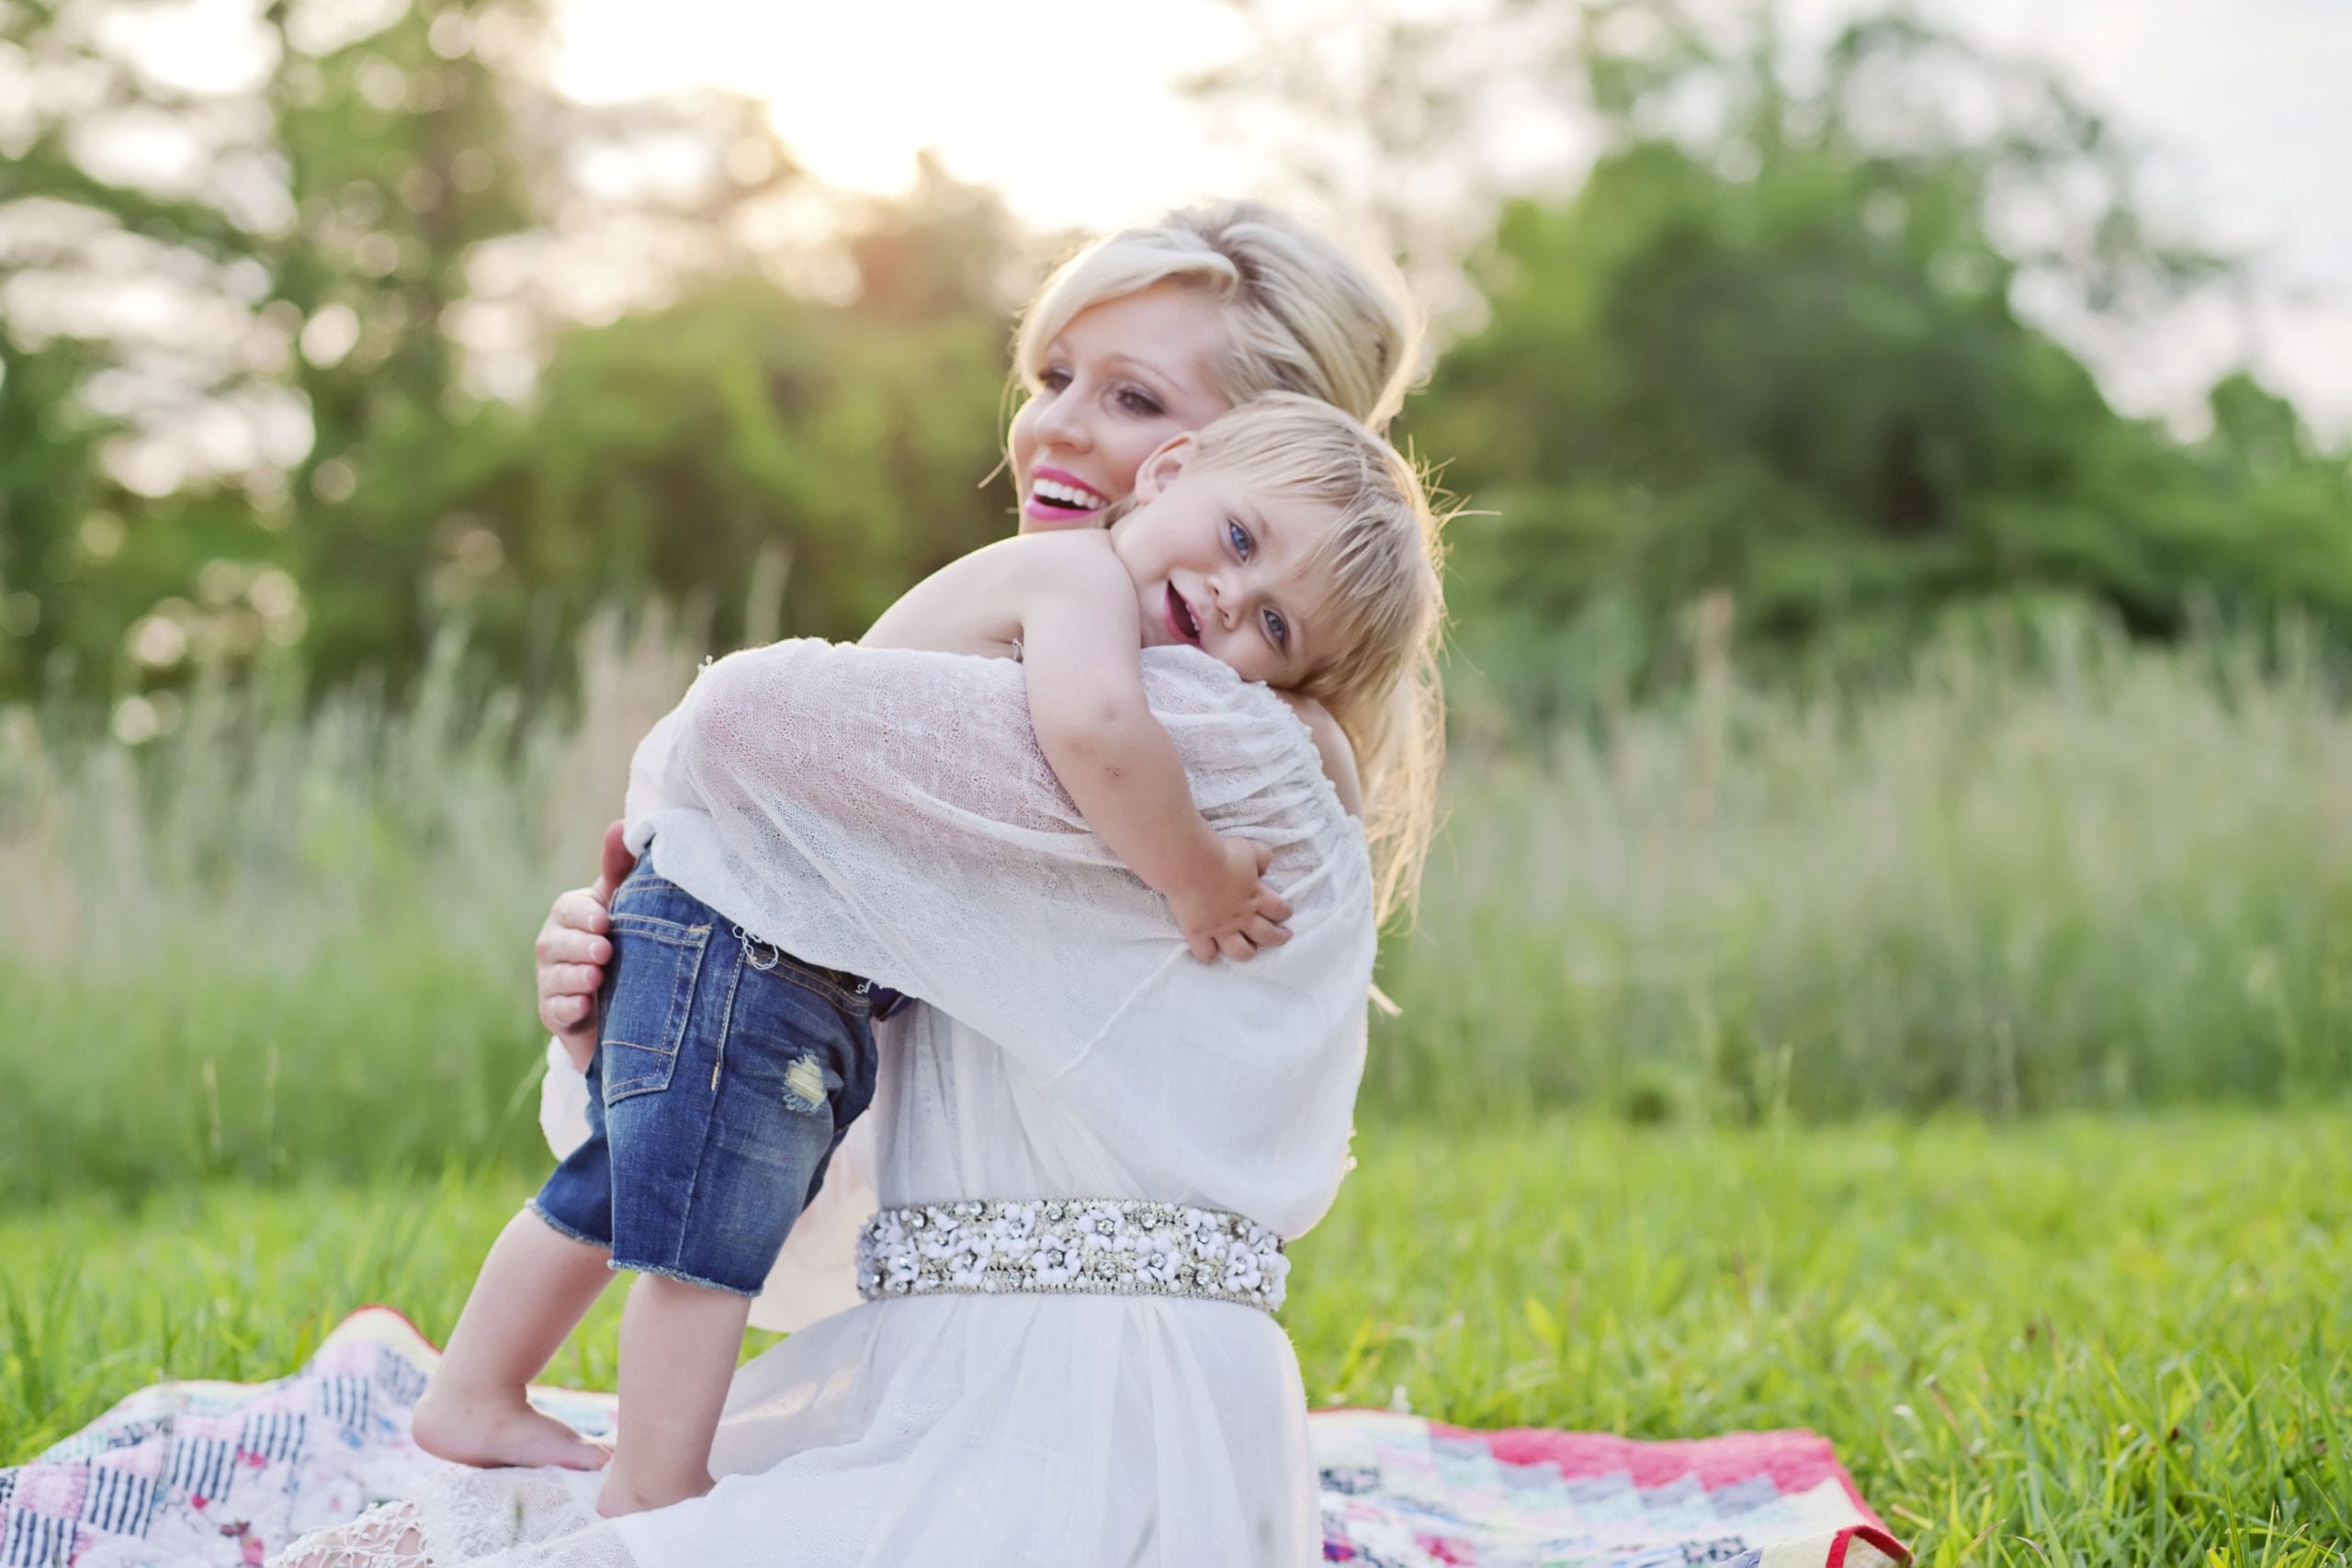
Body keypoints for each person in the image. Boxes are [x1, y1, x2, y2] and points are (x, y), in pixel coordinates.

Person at [278, 200, 1438, 1568]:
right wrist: (646, 994)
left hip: (1063, 1411)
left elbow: (747, 724)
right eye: (1051, 375)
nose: (1056, 428)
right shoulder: (1119, 679)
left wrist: (705, 850)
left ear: (1264, 449)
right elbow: (864, 1098)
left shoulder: (1199, 733)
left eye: (1126, 396)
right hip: (991, 1372)